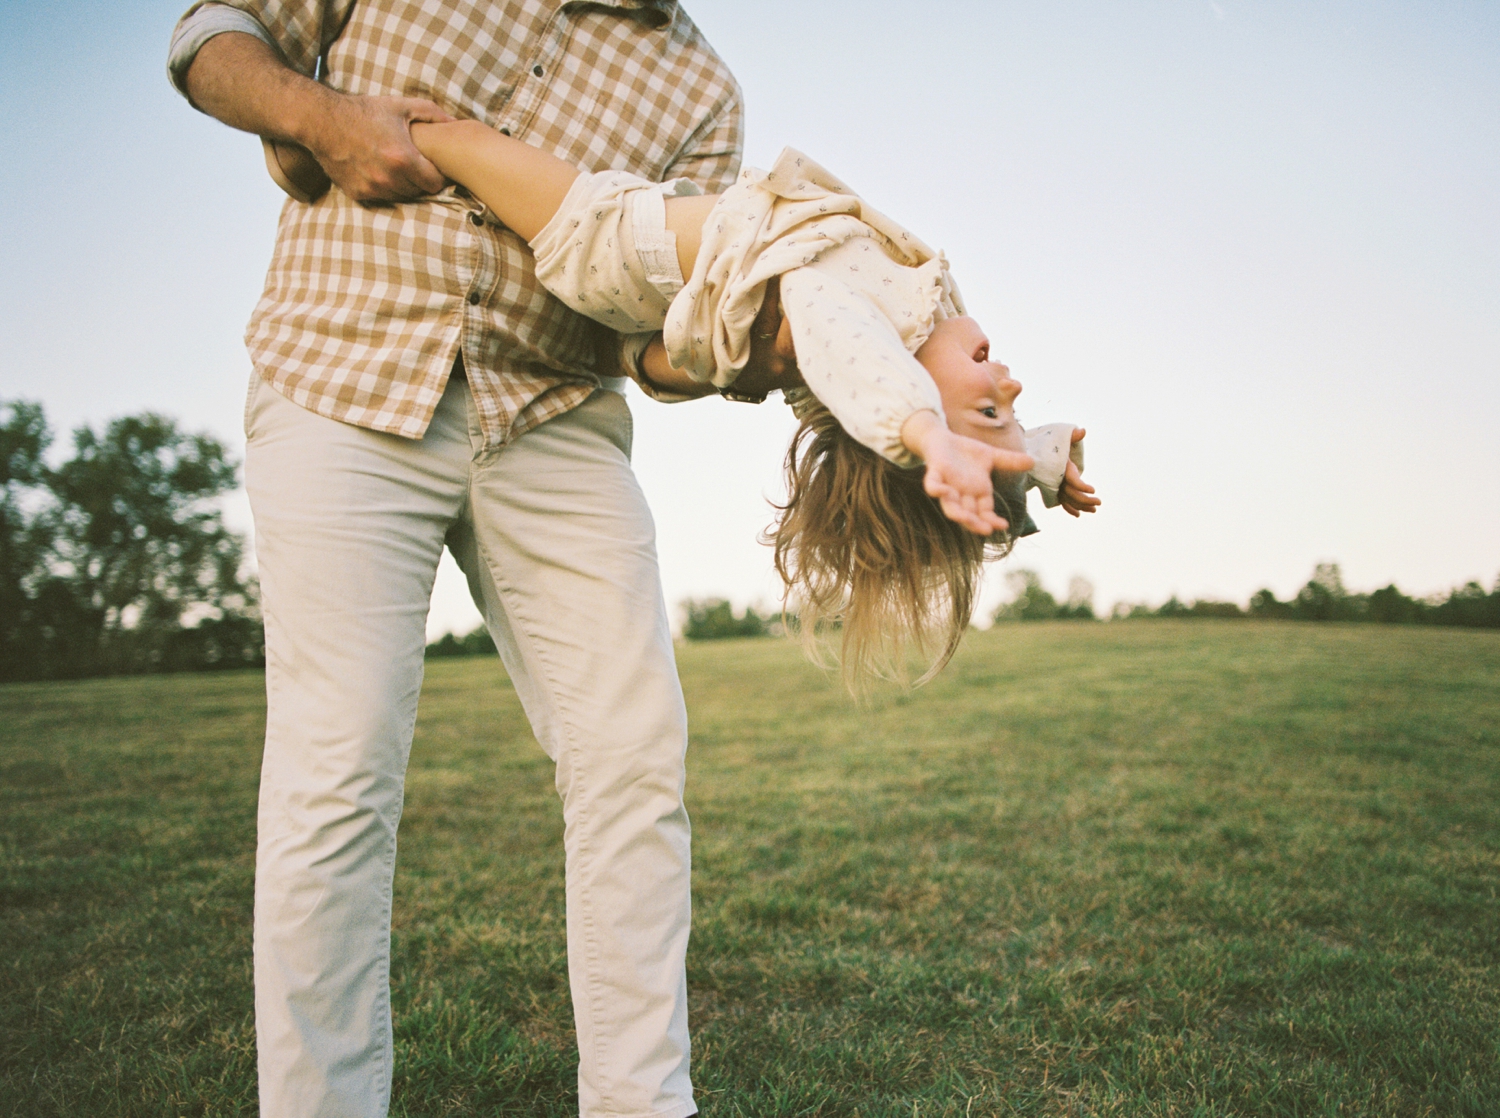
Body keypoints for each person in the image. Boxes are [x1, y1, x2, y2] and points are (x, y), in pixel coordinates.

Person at [166, 3, 778, 1116]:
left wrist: (719, 355)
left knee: (634, 755)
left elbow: (649, 339)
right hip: (342, 370)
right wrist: (322, 118)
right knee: (336, 769)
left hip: (552, 410)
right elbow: (211, 37)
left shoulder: (705, 97)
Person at [399, 121, 1101, 681]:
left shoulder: (863, 346)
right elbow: (980, 433)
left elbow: (866, 366)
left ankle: (377, 134)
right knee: (630, 339)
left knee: (449, 140)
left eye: (989, 412)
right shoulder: (926, 319)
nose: (1011, 388)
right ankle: (602, 347)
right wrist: (1042, 459)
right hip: (673, 263)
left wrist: (924, 433)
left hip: (607, 241)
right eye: (1010, 412)